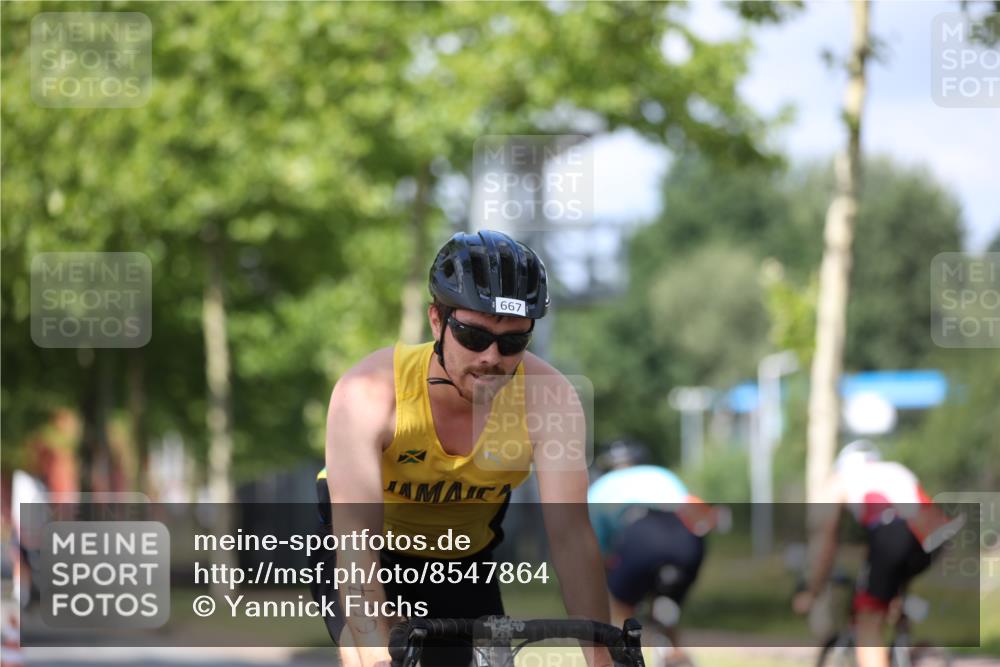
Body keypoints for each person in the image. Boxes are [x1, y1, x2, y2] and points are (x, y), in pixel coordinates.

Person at [310, 230, 612, 667]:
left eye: (513, 342)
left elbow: (570, 537)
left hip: (465, 562)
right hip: (368, 555)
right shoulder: (370, 393)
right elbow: (357, 540)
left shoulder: (549, 398)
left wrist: (600, 654)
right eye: (473, 336)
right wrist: (375, 647)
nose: (492, 356)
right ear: (437, 321)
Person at [792, 440, 962, 667]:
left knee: (868, 620)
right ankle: (904, 645)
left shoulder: (841, 480)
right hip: (936, 533)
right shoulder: (894, 469)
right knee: (891, 593)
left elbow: (827, 542)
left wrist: (813, 588)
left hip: (894, 530)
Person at [587, 440, 717, 667]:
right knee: (668, 600)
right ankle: (674, 653)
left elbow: (596, 543)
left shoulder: (600, 487)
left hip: (640, 536)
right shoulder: (662, 475)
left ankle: (622, 656)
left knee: (620, 602)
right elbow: (691, 510)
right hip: (687, 540)